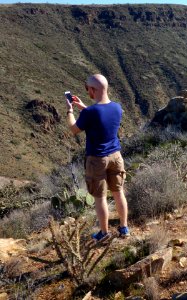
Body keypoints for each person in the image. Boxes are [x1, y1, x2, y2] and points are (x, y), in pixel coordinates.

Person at [65, 74, 129, 241]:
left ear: (93, 89)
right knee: (118, 192)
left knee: (100, 198)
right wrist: (84, 108)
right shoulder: (117, 107)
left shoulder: (90, 113)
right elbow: (101, 116)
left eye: (88, 88)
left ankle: (104, 233)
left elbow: (74, 129)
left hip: (97, 159)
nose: (87, 91)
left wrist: (70, 110)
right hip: (116, 156)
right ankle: (124, 228)